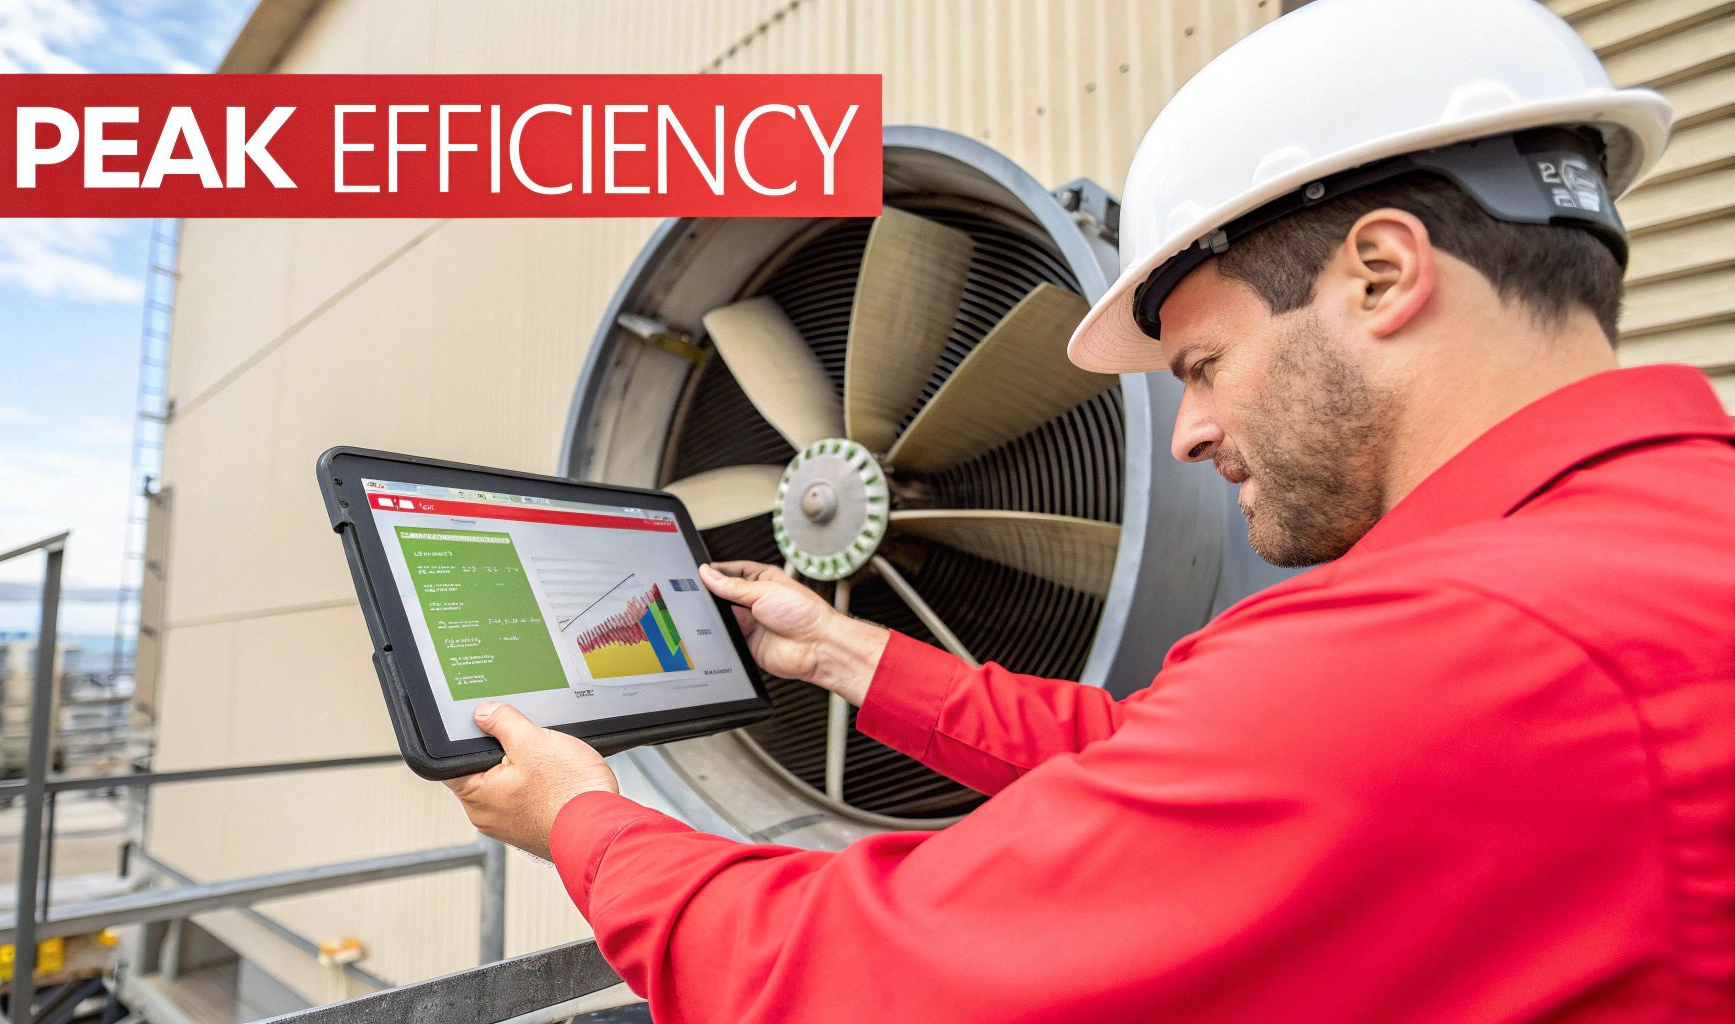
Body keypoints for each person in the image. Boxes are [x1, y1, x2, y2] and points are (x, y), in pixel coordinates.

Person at [445, 0, 1735, 1019]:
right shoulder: (1656, 535)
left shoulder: (1439, 651)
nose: (1188, 431)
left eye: (1203, 365)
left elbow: (858, 979)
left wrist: (581, 819)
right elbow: (1169, 762)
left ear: (1383, 276)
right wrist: (843, 650)